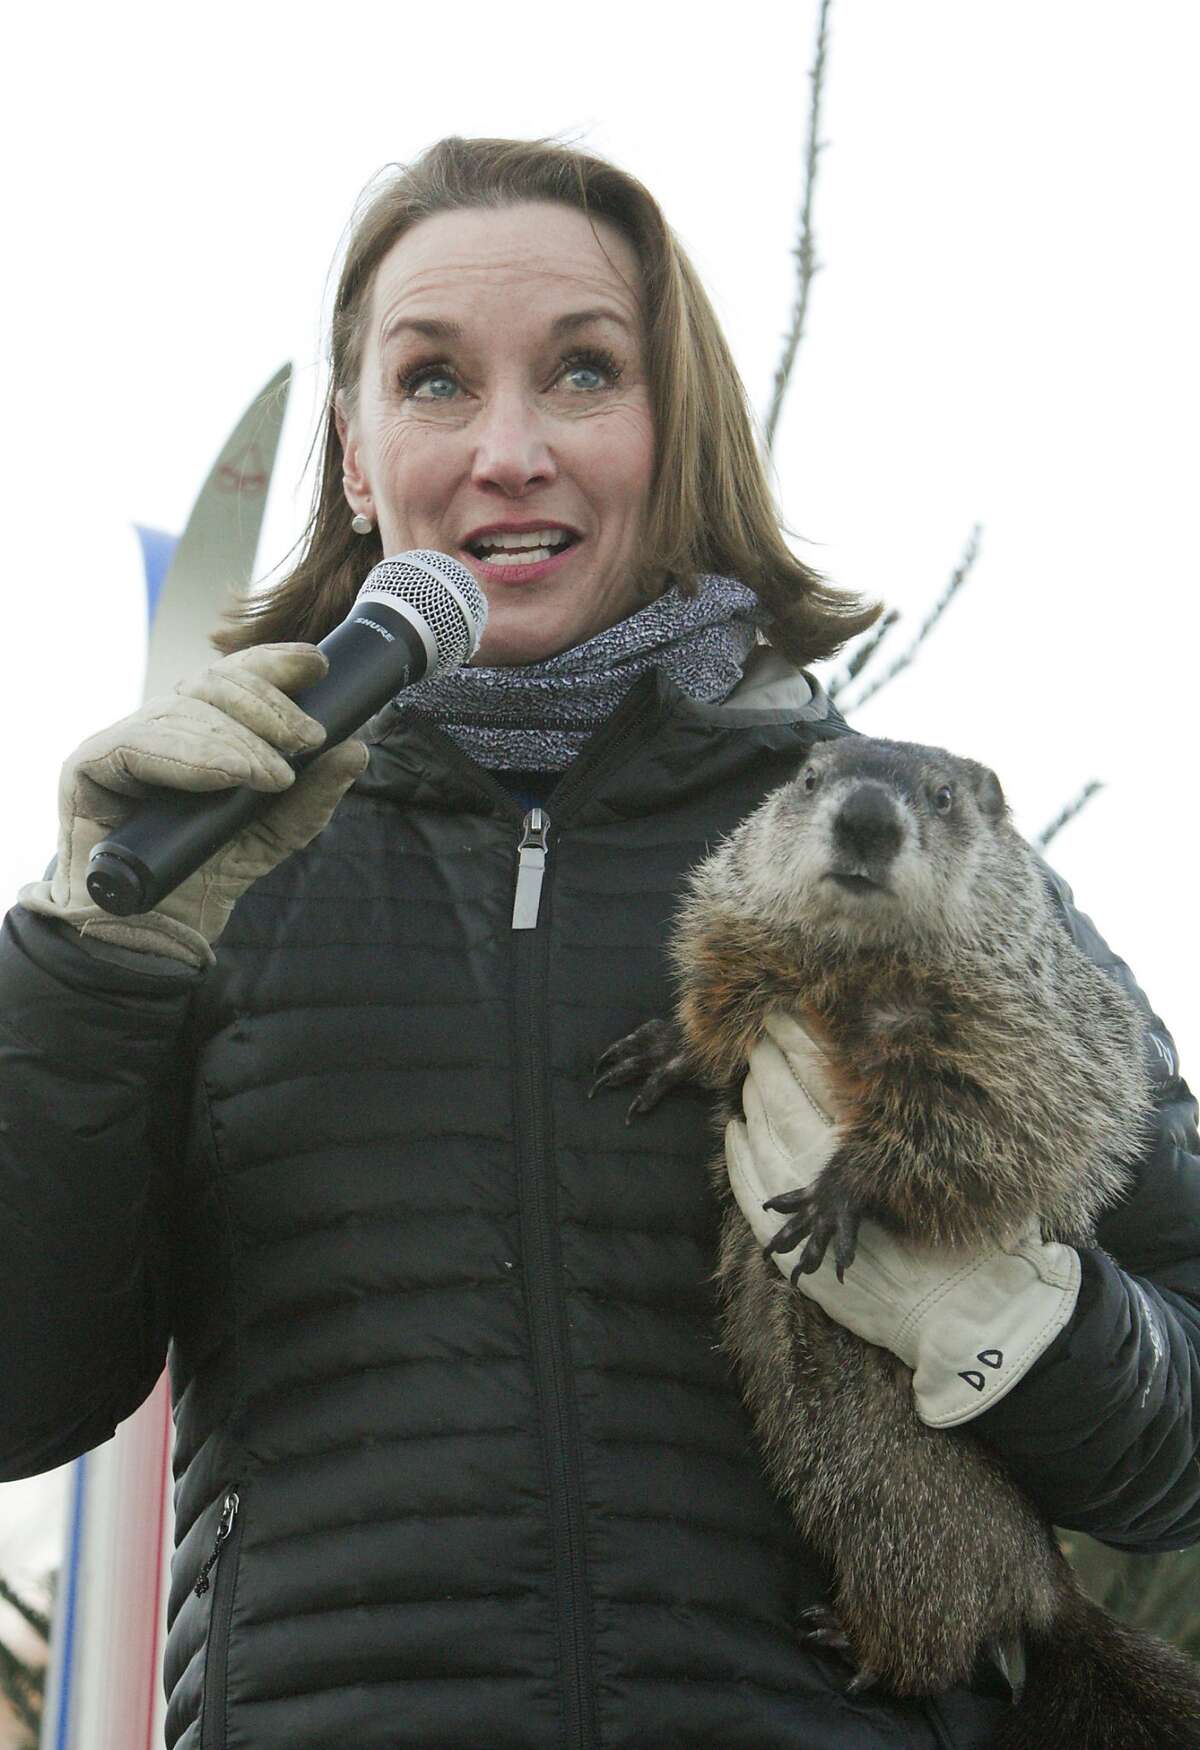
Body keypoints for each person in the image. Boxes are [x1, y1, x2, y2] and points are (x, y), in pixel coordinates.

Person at [1, 135, 1197, 1750]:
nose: (509, 450)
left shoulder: (917, 858)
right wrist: (81, 963)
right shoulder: (207, 863)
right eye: (432, 382)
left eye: (581, 372)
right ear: (358, 459)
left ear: (670, 432)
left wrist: (1023, 1332)